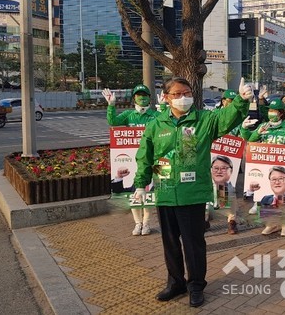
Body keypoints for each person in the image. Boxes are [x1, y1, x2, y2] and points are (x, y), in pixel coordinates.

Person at [133, 77, 251, 307]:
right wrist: (140, 183)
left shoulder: (204, 120)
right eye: (176, 94)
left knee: (193, 243)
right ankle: (176, 283)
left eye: (186, 93)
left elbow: (226, 118)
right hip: (166, 191)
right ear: (166, 98)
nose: (182, 98)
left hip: (193, 193)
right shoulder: (156, 125)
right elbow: (145, 156)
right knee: (170, 242)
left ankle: (196, 285)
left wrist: (241, 102)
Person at [103, 84, 160, 236]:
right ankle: (137, 223)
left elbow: (167, 125)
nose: (142, 97)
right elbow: (113, 122)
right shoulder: (129, 115)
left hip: (152, 160)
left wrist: (165, 108)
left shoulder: (155, 115)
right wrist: (111, 105)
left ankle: (147, 223)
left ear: (149, 97)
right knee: (134, 193)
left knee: (148, 193)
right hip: (134, 162)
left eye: (145, 95)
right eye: (139, 95)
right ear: (134, 98)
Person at [242, 99, 285, 216]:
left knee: (280, 189)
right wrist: (245, 129)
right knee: (263, 182)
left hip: (281, 165)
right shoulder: (264, 125)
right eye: (270, 110)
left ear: (281, 113)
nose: (271, 113)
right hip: (265, 162)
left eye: (274, 111)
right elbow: (251, 139)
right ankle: (257, 203)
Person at [250, 166, 285, 236]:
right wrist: (255, 202)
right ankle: (272, 225)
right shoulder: (266, 198)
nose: (277, 182)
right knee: (265, 206)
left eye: (281, 179)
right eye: (273, 179)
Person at [210, 155, 238, 235]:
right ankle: (203, 222)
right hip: (209, 208)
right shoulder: (206, 184)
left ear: (230, 171)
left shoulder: (229, 187)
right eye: (216, 168)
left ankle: (231, 223)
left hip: (223, 191)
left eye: (223, 168)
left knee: (230, 205)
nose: (219, 171)